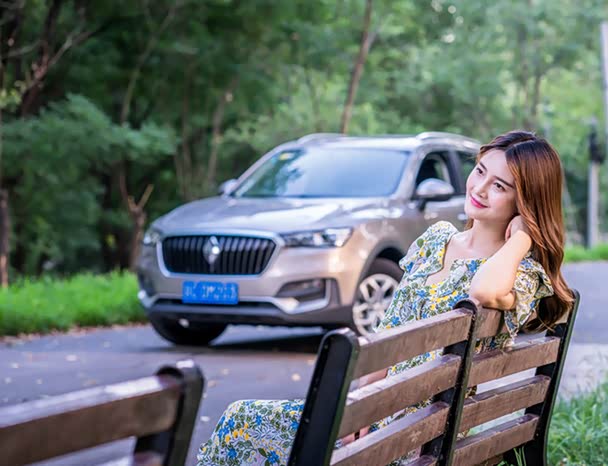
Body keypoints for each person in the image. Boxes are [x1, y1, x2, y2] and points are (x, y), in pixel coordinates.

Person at [196, 130, 575, 466]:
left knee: (241, 421)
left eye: (500, 186)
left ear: (524, 203)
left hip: (415, 439)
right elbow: (390, 332)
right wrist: (360, 408)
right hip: (390, 421)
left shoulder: (518, 274)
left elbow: (482, 291)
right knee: (246, 417)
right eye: (479, 171)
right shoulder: (437, 240)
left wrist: (522, 237)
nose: (478, 188)